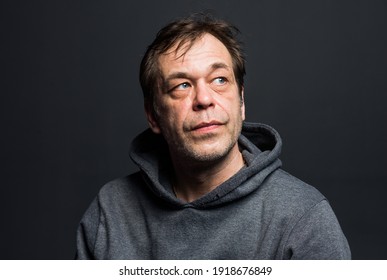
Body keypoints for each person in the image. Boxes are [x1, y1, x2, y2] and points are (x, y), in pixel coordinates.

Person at [76, 14, 351, 259]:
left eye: (219, 80)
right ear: (153, 115)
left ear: (241, 101)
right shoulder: (110, 211)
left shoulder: (303, 219)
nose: (204, 99)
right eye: (182, 85)